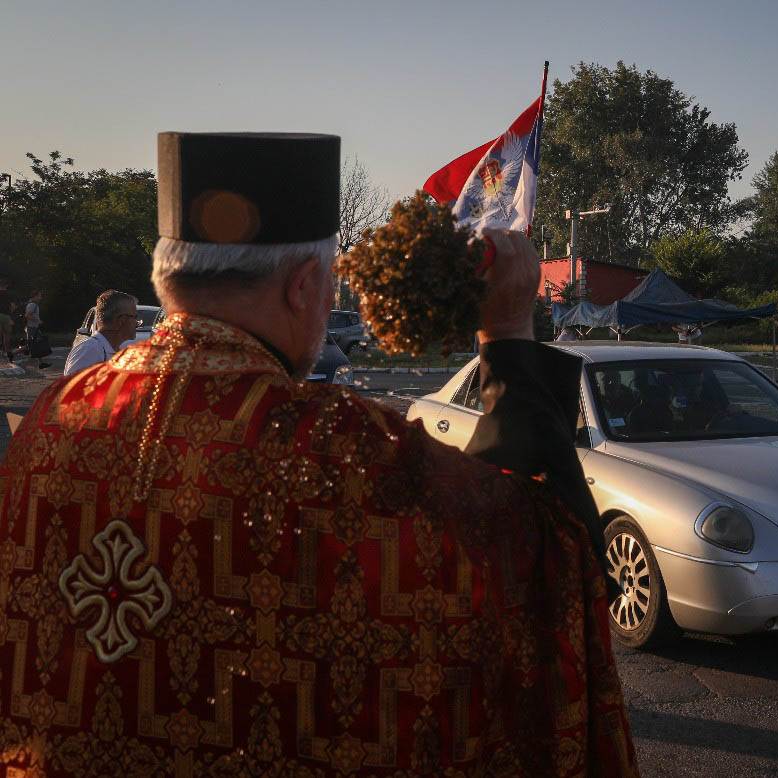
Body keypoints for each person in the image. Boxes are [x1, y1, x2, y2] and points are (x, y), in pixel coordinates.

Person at [0, 132, 636, 776]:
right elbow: (537, 542)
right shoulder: (341, 449)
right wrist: (505, 335)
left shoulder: (51, 420)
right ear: (305, 285)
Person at [63, 289, 139, 376]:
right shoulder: (90, 350)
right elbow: (72, 388)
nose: (137, 323)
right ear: (121, 321)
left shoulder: (118, 349)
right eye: (135, 317)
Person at [0, 278, 14, 360]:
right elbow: (12, 306)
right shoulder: (9, 294)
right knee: (6, 335)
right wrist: (10, 313)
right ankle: (8, 353)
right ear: (6, 286)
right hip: (6, 316)